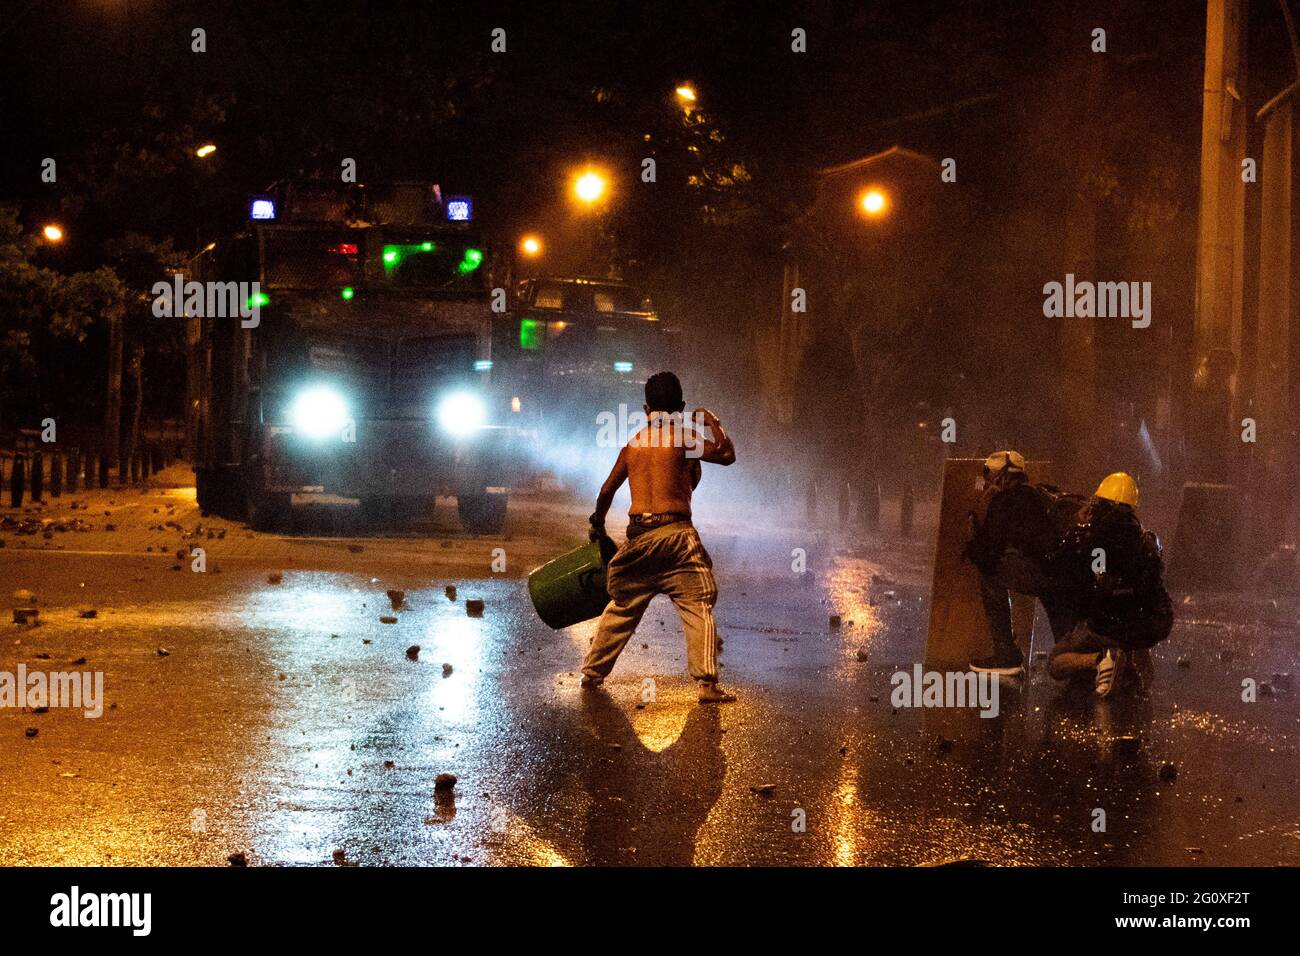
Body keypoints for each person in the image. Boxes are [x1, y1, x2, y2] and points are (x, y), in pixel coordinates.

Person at [580, 371, 738, 703]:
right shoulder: (684, 438)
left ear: (645, 407)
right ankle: (707, 686)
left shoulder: (633, 444)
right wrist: (712, 419)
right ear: (680, 406)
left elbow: (606, 491)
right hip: (677, 538)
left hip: (638, 539)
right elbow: (726, 454)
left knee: (623, 606)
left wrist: (597, 524)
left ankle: (592, 674)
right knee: (698, 602)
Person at [1048, 472, 1173, 697]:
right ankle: (1128, 663)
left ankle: (1101, 658)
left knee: (1055, 662)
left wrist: (1077, 526)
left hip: (1106, 625)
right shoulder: (1146, 541)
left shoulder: (1091, 538)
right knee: (1131, 635)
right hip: (1145, 625)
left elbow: (1069, 573)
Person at [965, 450, 1087, 675]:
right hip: (1062, 579)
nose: (987, 479)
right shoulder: (1040, 494)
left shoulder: (1006, 500)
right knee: (1068, 654)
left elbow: (985, 554)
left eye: (989, 473)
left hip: (1043, 577)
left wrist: (976, 518)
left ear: (1003, 475)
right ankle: (1097, 661)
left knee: (988, 572)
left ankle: (1006, 655)